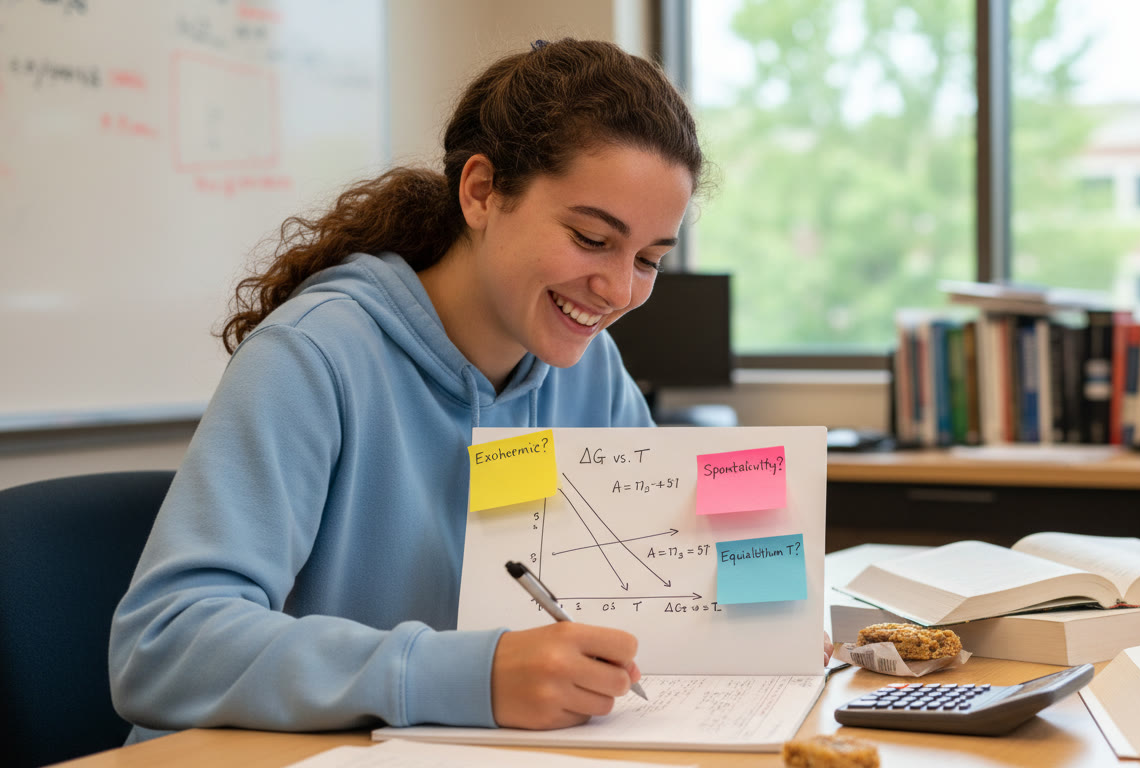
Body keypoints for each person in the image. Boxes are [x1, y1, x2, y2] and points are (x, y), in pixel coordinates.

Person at [108, 38, 703, 742]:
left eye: (648, 260)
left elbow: (660, 578)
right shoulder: (315, 355)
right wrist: (466, 674)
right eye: (590, 238)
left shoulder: (593, 371)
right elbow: (163, 647)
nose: (618, 290)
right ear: (482, 192)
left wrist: (742, 621)